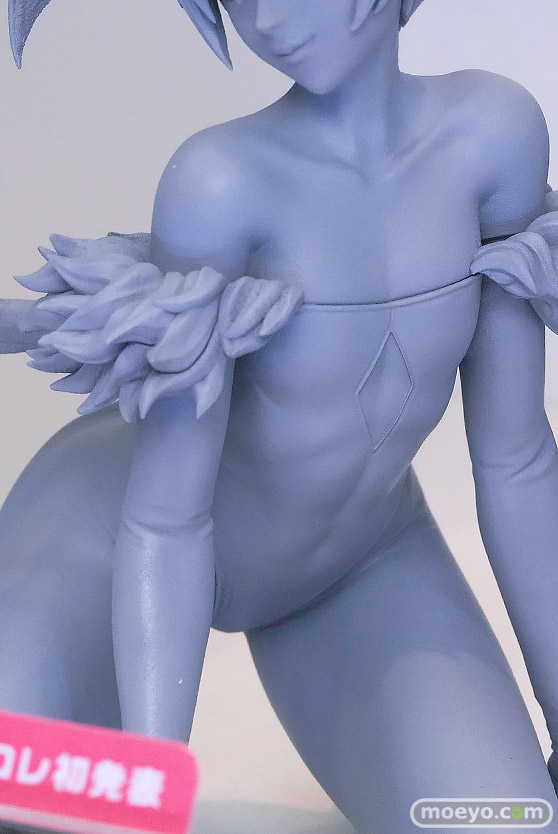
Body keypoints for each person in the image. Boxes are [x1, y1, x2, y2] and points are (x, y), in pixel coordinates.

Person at [3, 1, 558, 831]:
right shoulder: (220, 180)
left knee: (505, 822)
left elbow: (518, 461)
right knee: (35, 789)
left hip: (354, 560)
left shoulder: (494, 134)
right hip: (109, 552)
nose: (266, 17)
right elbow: (165, 524)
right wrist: (153, 793)